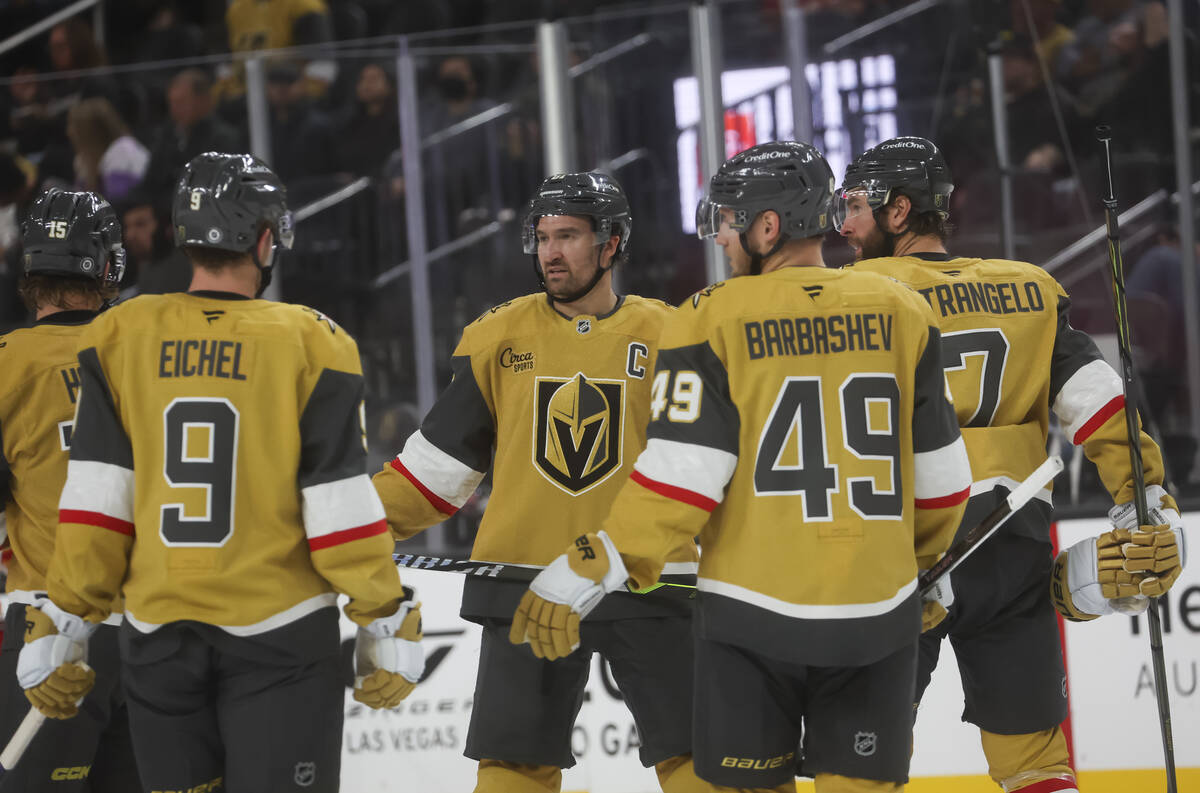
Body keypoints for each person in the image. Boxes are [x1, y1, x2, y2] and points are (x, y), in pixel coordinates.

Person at [510, 141, 973, 793]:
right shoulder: (903, 311)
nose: (723, 238)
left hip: (752, 618)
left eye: (729, 222)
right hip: (877, 611)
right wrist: (921, 567)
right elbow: (944, 482)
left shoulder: (710, 315)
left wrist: (595, 558)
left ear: (767, 226)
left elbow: (680, 480)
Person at [17, 153, 423, 793]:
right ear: (266, 238)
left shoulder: (121, 333)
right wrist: (382, 612)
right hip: (279, 637)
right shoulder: (314, 341)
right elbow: (337, 507)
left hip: (157, 635)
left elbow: (98, 503)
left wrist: (64, 619)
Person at [835, 136, 1187, 793]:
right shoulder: (1028, 288)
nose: (845, 226)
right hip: (1012, 542)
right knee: (1036, 766)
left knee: (857, 768)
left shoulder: (848, 297)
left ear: (900, 211)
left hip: (901, 556)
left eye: (853, 206)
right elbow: (1098, 403)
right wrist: (1147, 502)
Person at [372, 172, 711, 793]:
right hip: (525, 580)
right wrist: (349, 523)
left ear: (612, 244)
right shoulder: (496, 338)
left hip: (650, 578)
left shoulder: (673, 335)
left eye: (569, 237)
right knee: (513, 768)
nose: (550, 252)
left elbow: (704, 467)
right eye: (543, 236)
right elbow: (435, 474)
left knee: (700, 761)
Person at [0, 188, 140, 791]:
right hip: (164, 638)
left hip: (47, 632)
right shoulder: (153, 354)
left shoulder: (7, 363)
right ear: (109, 265)